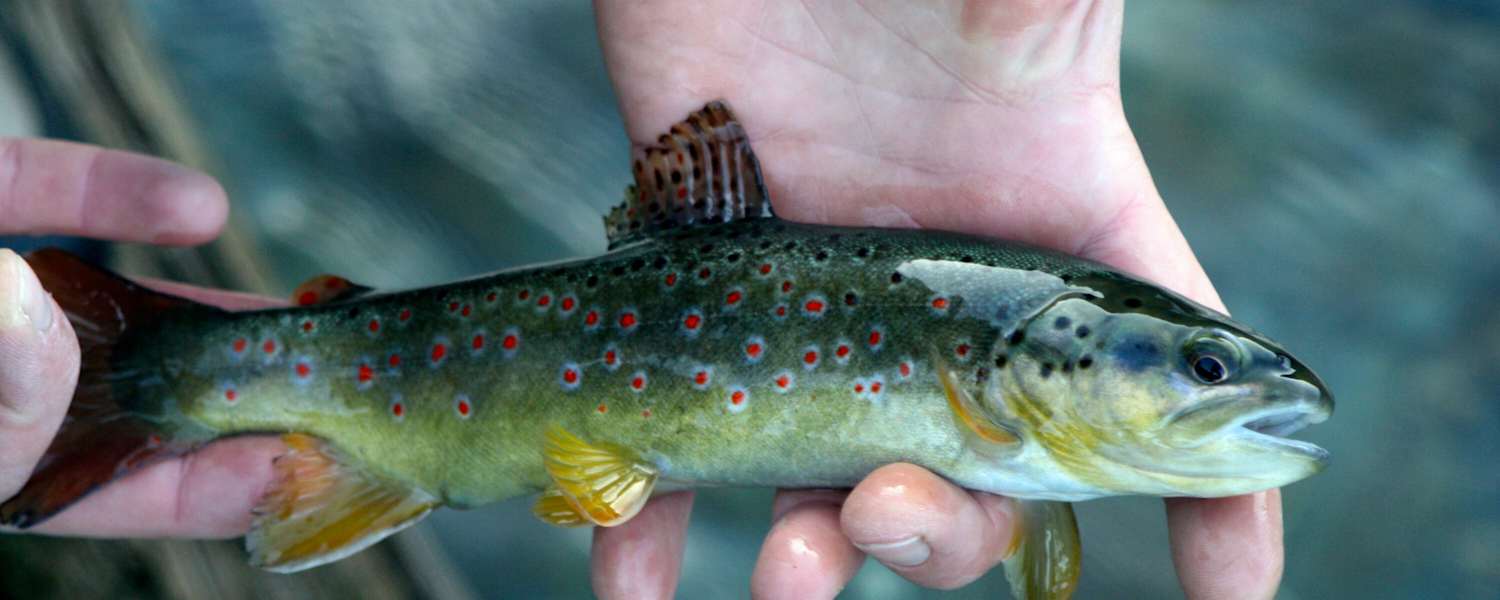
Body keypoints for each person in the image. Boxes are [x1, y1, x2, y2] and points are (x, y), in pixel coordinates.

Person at [0, 1, 1284, 597]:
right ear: (1041, 356)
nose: (1232, 395)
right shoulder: (1001, 382)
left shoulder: (1018, 409)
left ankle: (150, 383)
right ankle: (151, 375)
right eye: (1205, 373)